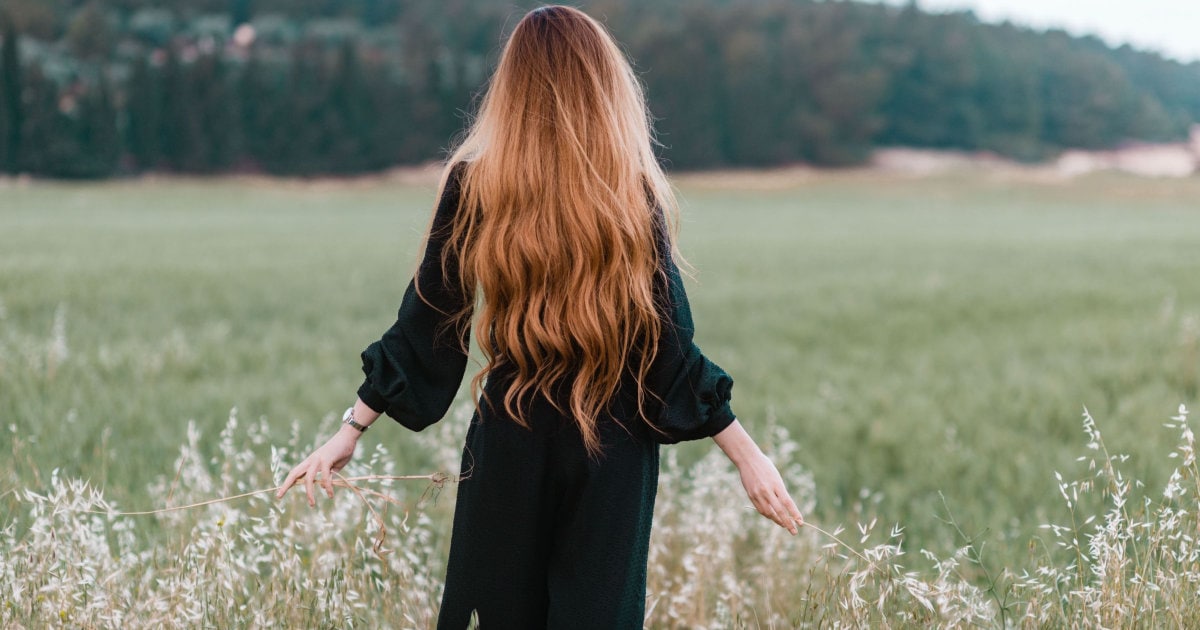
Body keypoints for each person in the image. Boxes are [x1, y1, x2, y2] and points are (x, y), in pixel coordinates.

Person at [275, 5, 803, 628]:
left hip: (510, 435)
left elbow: (429, 322)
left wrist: (351, 431)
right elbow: (665, 344)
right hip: (614, 444)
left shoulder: (476, 183)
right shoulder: (628, 192)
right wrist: (745, 454)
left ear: (513, 89)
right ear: (604, 85)